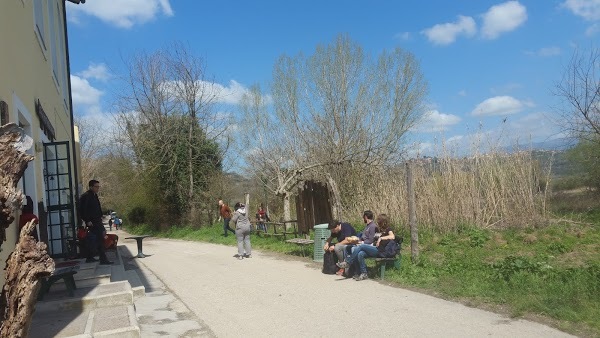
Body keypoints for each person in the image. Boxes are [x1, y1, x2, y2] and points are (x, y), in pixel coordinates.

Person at [337, 213, 395, 281]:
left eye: (379, 221)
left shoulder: (388, 229)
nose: (377, 222)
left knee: (361, 246)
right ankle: (364, 273)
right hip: (375, 248)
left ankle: (347, 262)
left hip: (381, 251)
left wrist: (381, 238)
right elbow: (373, 239)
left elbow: (392, 236)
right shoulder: (379, 229)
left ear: (383, 221)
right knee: (360, 253)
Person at [78, 180, 113, 265]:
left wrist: (101, 215)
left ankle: (90, 257)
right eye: (96, 186)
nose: (98, 188)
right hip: (92, 222)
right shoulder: (86, 196)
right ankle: (103, 259)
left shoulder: (95, 196)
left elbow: (97, 207)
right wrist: (87, 220)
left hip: (97, 220)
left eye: (98, 186)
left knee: (96, 240)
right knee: (101, 239)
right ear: (91, 187)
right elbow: (82, 210)